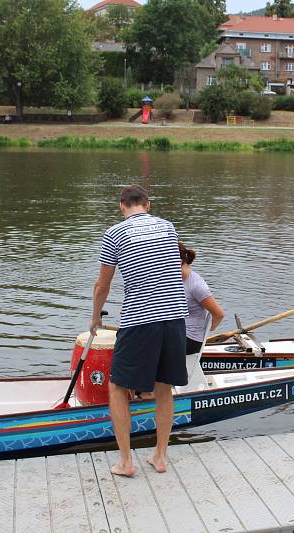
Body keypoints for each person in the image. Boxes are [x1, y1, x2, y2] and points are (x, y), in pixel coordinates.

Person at [90, 184, 188, 477]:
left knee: (118, 386)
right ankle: (160, 457)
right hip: (174, 318)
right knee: (164, 387)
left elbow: (102, 285)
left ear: (122, 207)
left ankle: (125, 462)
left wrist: (95, 317)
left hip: (139, 319)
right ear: (148, 203)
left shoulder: (114, 233)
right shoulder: (168, 227)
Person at [179, 242, 225, 355]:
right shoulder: (175, 280)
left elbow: (219, 314)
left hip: (191, 340)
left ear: (179, 262)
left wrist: (206, 332)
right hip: (178, 333)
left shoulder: (196, 285)